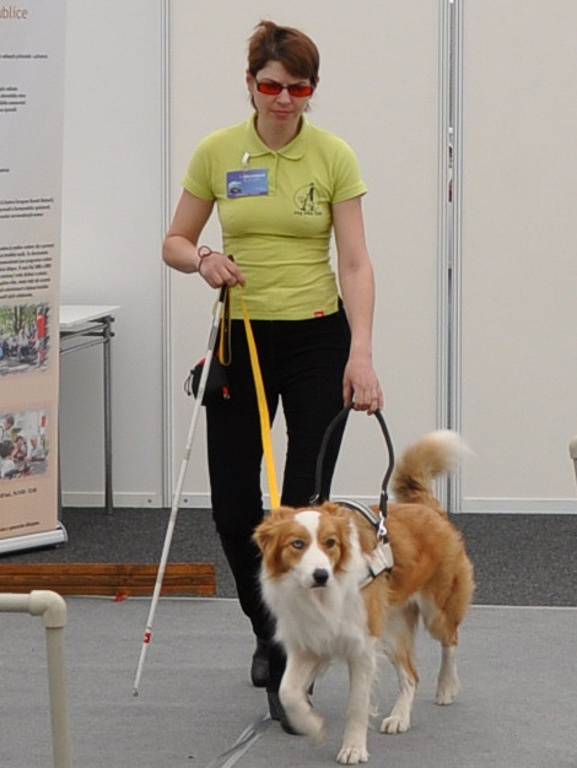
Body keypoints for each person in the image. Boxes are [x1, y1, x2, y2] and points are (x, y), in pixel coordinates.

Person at [162, 20, 383, 726]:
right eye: (270, 86)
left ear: (311, 91)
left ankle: (295, 660)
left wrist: (362, 352)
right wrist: (202, 261)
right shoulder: (219, 152)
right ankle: (268, 631)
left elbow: (353, 261)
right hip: (242, 338)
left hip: (319, 338)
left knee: (304, 509)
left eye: (298, 88)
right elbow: (175, 239)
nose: (284, 99)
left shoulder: (332, 156)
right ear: (250, 82)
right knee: (234, 508)